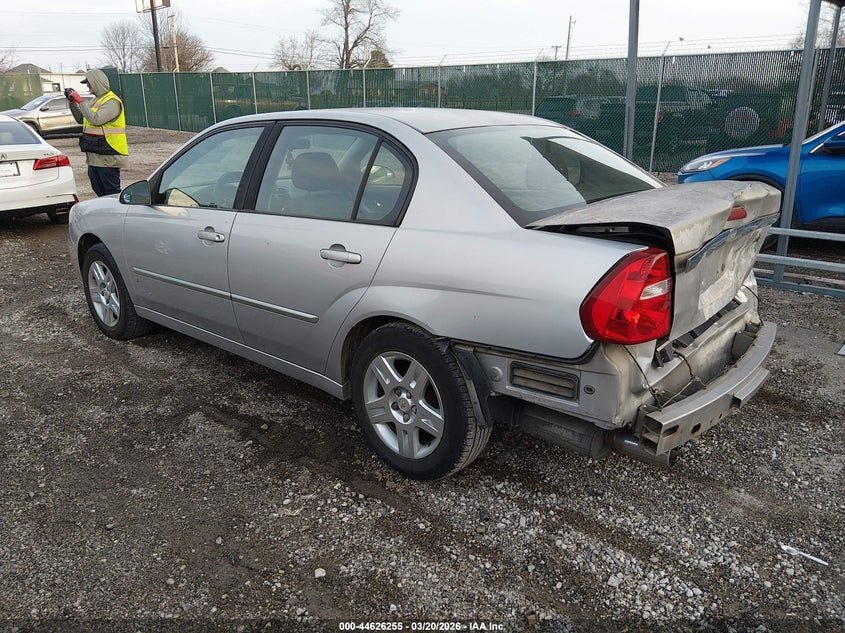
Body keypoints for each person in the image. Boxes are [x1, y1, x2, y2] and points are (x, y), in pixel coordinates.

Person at [66, 69, 128, 197]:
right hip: (95, 155)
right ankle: (106, 215)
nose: (87, 86)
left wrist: (81, 102)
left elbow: (96, 119)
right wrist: (73, 103)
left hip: (108, 155)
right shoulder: (96, 100)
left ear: (97, 83)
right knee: (100, 191)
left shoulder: (112, 101)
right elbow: (81, 119)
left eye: (89, 83)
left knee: (111, 193)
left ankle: (117, 214)